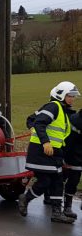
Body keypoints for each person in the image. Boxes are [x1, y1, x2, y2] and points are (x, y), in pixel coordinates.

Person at [18, 81, 80, 224]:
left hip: (53, 153)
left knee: (58, 181)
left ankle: (56, 213)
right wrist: (45, 142)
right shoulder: (53, 107)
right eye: (70, 95)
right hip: (41, 151)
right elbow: (39, 123)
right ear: (61, 95)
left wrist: (61, 155)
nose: (73, 99)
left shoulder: (63, 111)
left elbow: (60, 137)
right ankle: (25, 199)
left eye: (73, 96)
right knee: (46, 181)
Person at [63, 108, 82, 218]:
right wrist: (65, 157)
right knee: (73, 179)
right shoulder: (76, 121)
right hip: (74, 154)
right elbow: (69, 141)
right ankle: (67, 206)